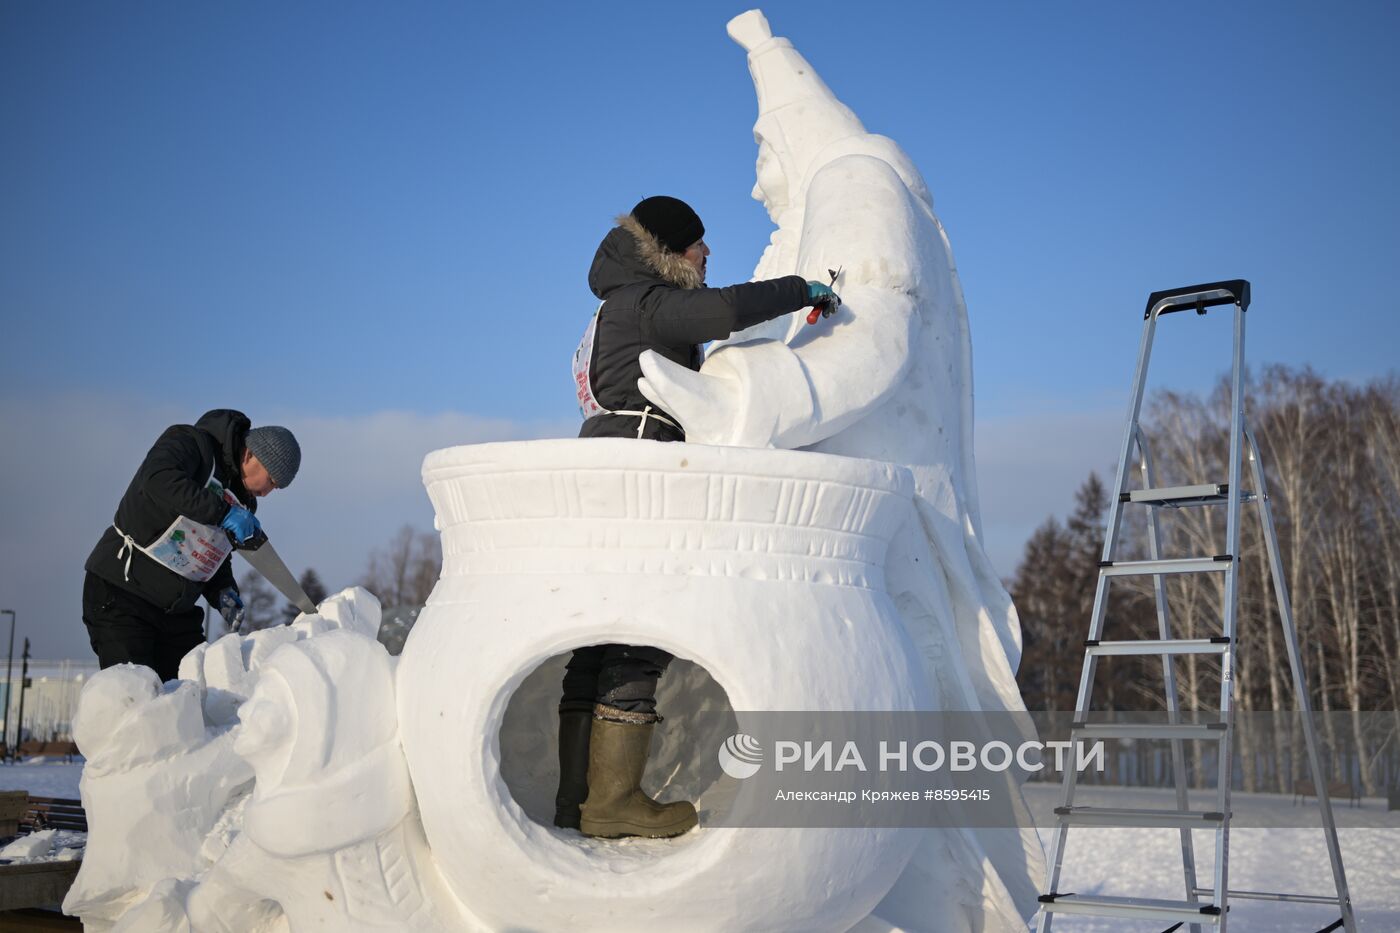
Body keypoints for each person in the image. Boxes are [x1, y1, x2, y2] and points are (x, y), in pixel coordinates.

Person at [557, 196, 839, 838]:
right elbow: (725, 311)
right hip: (642, 468)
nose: (707, 253)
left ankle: (576, 797)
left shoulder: (610, 309)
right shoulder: (646, 303)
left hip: (604, 466)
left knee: (599, 633)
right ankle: (613, 801)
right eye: (696, 245)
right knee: (639, 626)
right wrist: (801, 288)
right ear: (665, 251)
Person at [82, 409, 300, 682]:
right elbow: (158, 480)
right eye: (271, 481)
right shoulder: (189, 442)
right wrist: (223, 512)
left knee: (196, 697)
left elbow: (214, 548)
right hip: (123, 594)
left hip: (176, 611)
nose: (268, 493)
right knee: (133, 701)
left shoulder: (243, 501)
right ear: (250, 455)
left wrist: (223, 590)